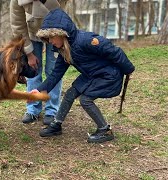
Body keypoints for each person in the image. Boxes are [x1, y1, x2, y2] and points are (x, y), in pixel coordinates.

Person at [31, 8, 135, 143]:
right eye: (47, 38)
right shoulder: (64, 51)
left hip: (107, 75)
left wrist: (128, 69)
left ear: (62, 33)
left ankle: (105, 130)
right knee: (69, 94)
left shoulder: (86, 40)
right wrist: (39, 90)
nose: (50, 41)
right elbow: (55, 75)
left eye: (51, 36)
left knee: (85, 100)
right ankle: (56, 125)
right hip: (91, 75)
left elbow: (114, 51)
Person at [10, 0, 68, 125]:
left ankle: (52, 110)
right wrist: (29, 54)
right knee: (33, 70)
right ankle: (33, 109)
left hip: (56, 31)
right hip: (32, 33)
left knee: (53, 70)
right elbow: (18, 25)